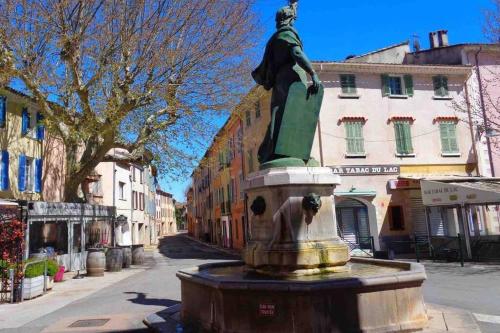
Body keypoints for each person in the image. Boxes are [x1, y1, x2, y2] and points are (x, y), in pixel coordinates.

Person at [252, 1, 321, 164]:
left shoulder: (274, 39)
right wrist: (313, 73)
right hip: (292, 78)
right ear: (289, 19)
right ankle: (289, 152)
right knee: (295, 115)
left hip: (280, 82)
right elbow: (296, 52)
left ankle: (274, 152)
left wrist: (293, 6)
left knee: (280, 114)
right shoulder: (287, 34)